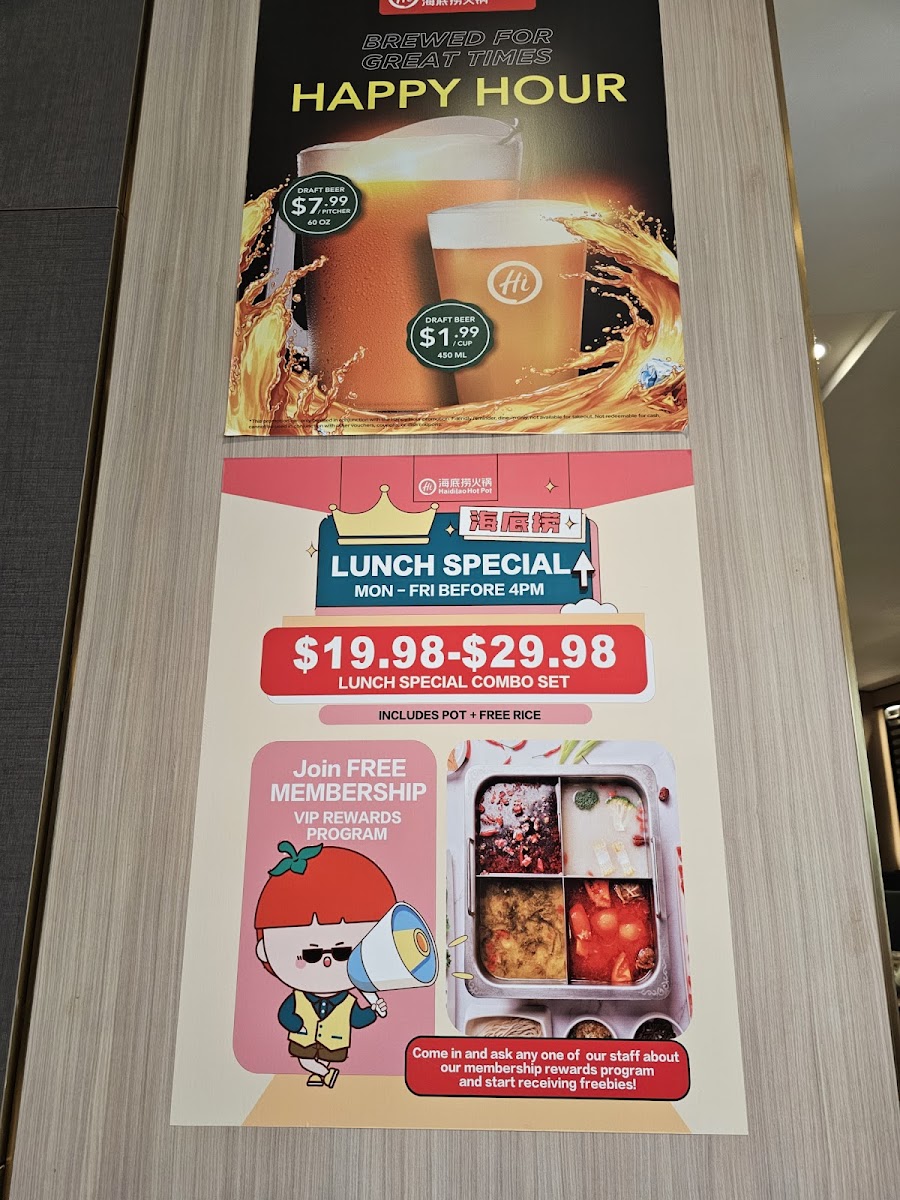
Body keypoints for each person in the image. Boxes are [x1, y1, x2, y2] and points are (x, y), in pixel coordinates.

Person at [255, 842, 395, 1088]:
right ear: (265, 950)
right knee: (304, 1058)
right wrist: (295, 1023)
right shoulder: (298, 998)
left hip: (334, 1043)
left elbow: (358, 1019)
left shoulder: (348, 1002)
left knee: (318, 1058)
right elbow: (284, 1014)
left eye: (343, 952)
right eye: (311, 954)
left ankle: (322, 1073)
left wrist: (374, 1011)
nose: (327, 961)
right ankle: (325, 1074)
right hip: (303, 1039)